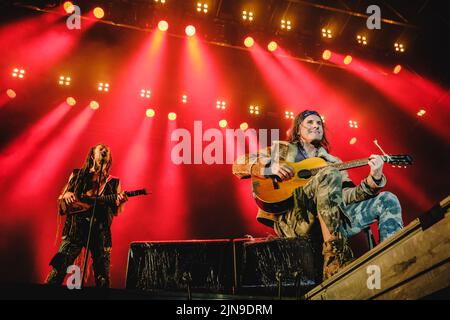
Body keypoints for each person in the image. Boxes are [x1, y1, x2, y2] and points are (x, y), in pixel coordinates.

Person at [232, 110, 403, 280]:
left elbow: (346, 196)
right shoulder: (281, 150)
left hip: (331, 218)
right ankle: (335, 258)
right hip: (296, 220)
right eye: (310, 122)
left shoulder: (332, 162)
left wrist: (374, 178)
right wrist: (269, 168)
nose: (316, 126)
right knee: (329, 174)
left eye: (319, 123)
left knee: (387, 199)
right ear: (298, 129)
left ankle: (393, 261)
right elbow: (238, 164)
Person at [46, 144, 128, 287]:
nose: (103, 151)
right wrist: (66, 195)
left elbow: (116, 211)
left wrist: (121, 202)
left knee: (102, 275)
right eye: (100, 149)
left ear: (109, 158)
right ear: (92, 155)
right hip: (75, 228)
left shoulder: (114, 182)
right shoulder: (77, 174)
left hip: (100, 230)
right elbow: (63, 197)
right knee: (59, 268)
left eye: (106, 150)